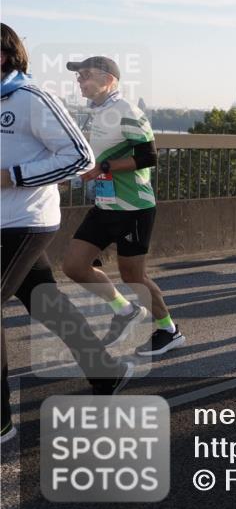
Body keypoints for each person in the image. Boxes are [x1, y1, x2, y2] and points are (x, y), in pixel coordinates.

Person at [2, 24, 133, 443]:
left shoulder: (31, 98)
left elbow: (79, 157)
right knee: (47, 303)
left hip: (25, 221)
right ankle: (107, 372)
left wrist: (13, 176)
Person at [60, 56, 181, 356]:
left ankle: (169, 330)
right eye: (78, 76)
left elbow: (149, 156)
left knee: (133, 276)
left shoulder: (126, 111)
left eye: (86, 75)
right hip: (105, 204)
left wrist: (103, 166)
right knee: (74, 266)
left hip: (133, 208)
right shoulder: (98, 112)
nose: (80, 81)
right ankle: (124, 310)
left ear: (109, 79)